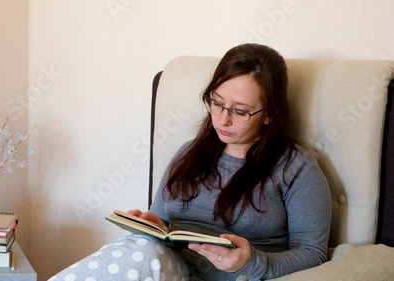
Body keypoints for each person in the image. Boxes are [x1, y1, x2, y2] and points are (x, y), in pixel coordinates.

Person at [49, 43, 332, 281]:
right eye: (216, 102)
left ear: (269, 114)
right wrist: (152, 224)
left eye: (240, 111)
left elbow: (312, 252)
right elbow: (163, 219)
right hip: (166, 267)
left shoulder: (296, 169)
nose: (222, 119)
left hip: (232, 276)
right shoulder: (189, 153)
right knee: (137, 249)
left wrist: (252, 263)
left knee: (141, 256)